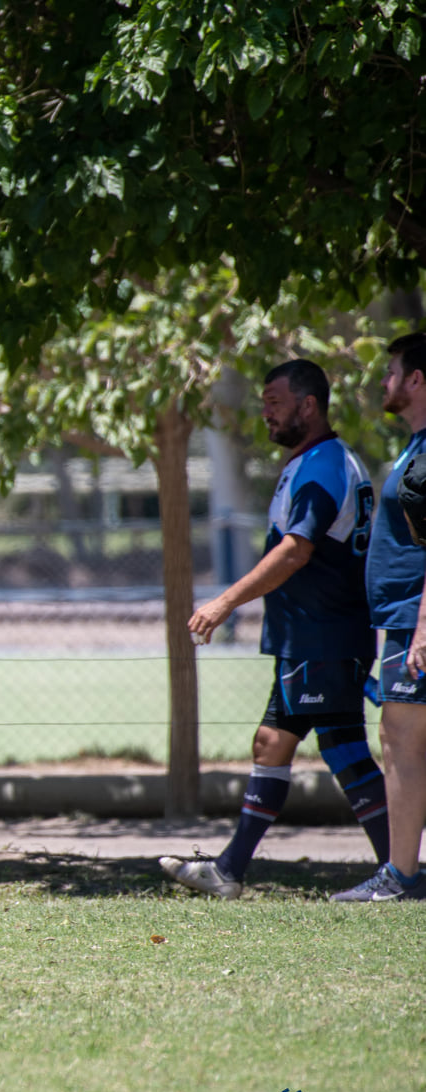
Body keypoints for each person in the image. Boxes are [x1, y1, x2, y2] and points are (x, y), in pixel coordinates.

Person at [163, 360, 386, 899]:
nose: (265, 412)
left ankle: (232, 870)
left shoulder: (323, 466)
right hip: (317, 639)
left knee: (284, 742)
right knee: (338, 748)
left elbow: (296, 550)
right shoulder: (320, 460)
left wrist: (223, 602)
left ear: (308, 405)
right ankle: (400, 869)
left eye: (275, 402)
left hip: (321, 637)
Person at [337, 333, 426, 902]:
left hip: (413, 622)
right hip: (399, 620)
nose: (384, 381)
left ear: (418, 379)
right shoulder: (414, 446)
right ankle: (401, 873)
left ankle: (400, 876)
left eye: (393, 371)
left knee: (400, 741)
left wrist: (422, 629)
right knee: (400, 738)